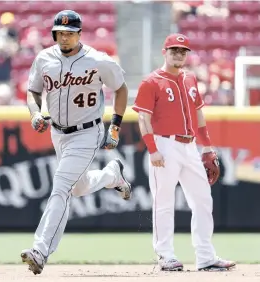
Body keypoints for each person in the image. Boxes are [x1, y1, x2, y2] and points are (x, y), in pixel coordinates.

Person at [21, 10, 132, 275]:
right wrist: (35, 113)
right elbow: (33, 91)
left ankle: (40, 249)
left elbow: (121, 88)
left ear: (79, 34)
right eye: (61, 32)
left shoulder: (97, 60)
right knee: (78, 188)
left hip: (87, 132)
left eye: (70, 33)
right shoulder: (44, 58)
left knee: (61, 186)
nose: (65, 37)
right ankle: (111, 175)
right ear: (55, 34)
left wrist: (114, 127)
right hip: (58, 133)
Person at [132, 33, 236, 272]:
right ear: (164, 51)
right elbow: (143, 118)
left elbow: (199, 114)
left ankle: (206, 257)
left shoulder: (189, 79)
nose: (178, 54)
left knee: (203, 200)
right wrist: (153, 149)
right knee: (164, 203)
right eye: (174, 50)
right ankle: (165, 255)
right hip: (164, 144)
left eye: (183, 51)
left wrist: (207, 146)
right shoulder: (151, 81)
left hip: (189, 146)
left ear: (187, 54)